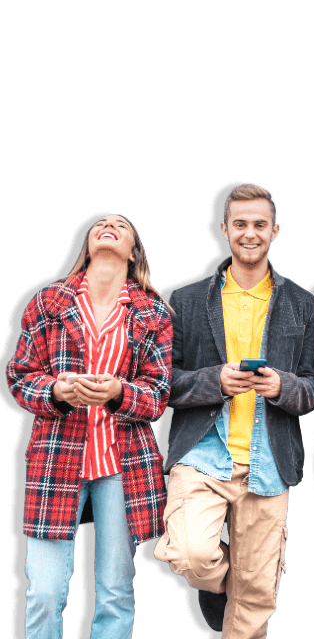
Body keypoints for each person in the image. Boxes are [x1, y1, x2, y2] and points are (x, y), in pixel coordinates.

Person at [154, 183, 314, 639]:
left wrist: (282, 386)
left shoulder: (303, 304)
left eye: (260, 225)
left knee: (254, 605)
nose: (251, 233)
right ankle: (228, 586)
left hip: (269, 461)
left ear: (276, 231)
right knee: (189, 555)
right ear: (224, 230)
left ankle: (247, 591)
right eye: (241, 224)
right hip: (202, 455)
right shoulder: (184, 301)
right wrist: (215, 382)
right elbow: (161, 383)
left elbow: (312, 390)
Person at [6, 213, 172, 639]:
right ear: (87, 243)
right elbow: (20, 377)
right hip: (55, 458)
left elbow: (158, 394)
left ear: (134, 250)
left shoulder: (153, 311)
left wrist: (119, 393)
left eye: (121, 224)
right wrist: (57, 393)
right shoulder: (49, 301)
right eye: (101, 223)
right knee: (42, 591)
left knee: (115, 591)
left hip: (123, 463)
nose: (108, 224)